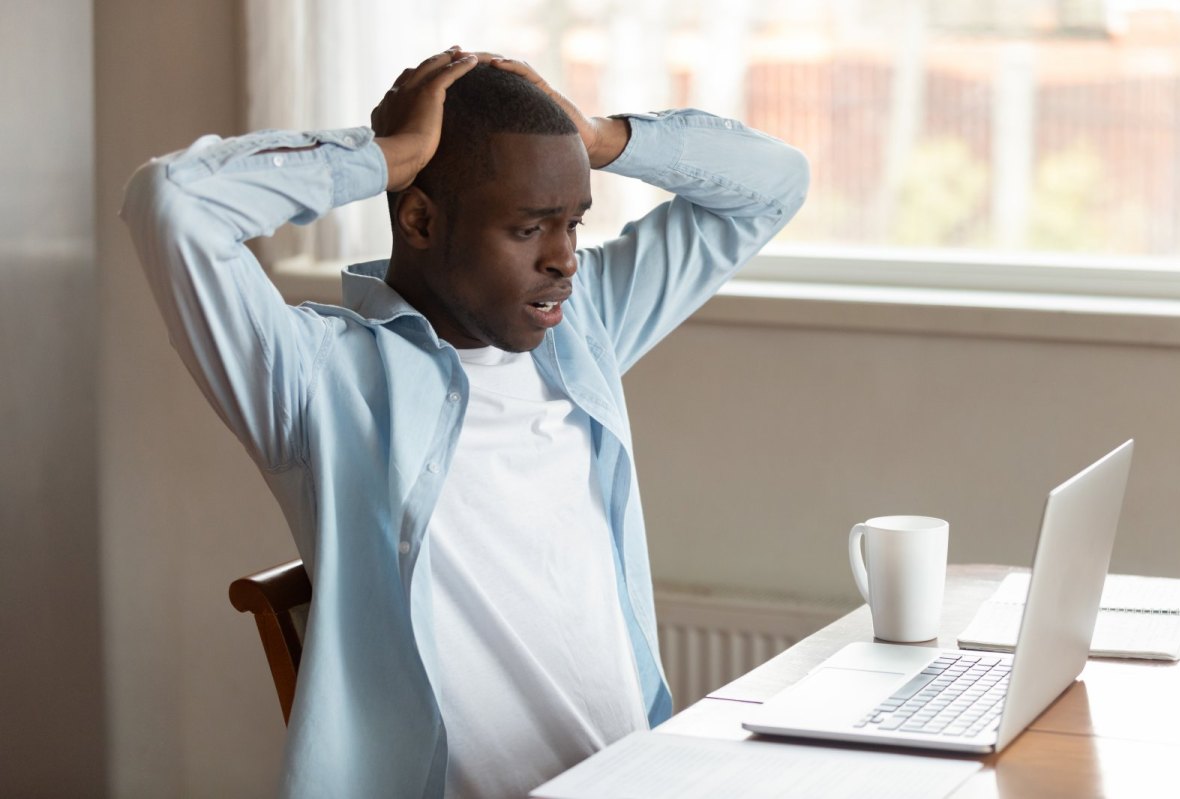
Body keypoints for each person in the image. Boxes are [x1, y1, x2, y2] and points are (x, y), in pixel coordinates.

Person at [122, 47, 809, 799]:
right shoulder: (319, 378)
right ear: (419, 218)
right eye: (528, 229)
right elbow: (172, 203)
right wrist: (384, 159)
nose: (565, 259)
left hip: (634, 777)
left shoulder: (585, 328)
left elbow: (775, 184)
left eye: (573, 224)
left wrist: (599, 137)